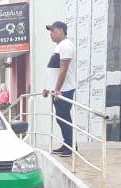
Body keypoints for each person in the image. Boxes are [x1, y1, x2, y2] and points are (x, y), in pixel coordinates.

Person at [43, 21, 76, 157]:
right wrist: (48, 88)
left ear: (61, 31)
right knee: (60, 117)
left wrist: (57, 89)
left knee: (63, 117)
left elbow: (63, 69)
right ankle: (67, 144)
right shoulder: (59, 47)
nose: (50, 34)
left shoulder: (66, 46)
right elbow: (54, 70)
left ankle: (71, 146)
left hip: (64, 89)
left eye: (53, 31)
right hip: (57, 90)